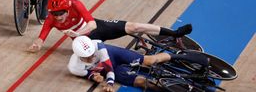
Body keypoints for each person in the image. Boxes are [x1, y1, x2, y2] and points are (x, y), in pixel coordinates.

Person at [28, 0, 192, 52]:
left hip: (96, 28)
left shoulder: (75, 4)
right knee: (110, 55)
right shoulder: (51, 20)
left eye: (60, 13)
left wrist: (77, 33)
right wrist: (37, 45)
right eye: (54, 14)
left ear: (67, 8)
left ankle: (175, 33)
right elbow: (41, 38)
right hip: (85, 41)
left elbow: (92, 25)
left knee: (133, 26)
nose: (57, 17)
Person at [67, 36, 208, 92]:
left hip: (114, 57)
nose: (92, 56)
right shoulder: (74, 67)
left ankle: (183, 56)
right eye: (88, 57)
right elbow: (90, 74)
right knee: (143, 82)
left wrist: (109, 83)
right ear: (79, 55)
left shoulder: (97, 45)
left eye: (92, 53)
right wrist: (94, 77)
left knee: (150, 60)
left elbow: (108, 67)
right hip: (115, 69)